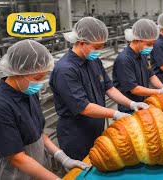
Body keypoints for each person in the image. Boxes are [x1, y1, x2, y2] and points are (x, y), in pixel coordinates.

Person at [49, 17, 149, 161]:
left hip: (96, 128)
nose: (99, 51)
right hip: (77, 135)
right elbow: (84, 107)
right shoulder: (66, 70)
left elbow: (109, 88)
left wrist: (131, 104)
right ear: (82, 43)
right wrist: (115, 113)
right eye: (96, 47)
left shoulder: (93, 60)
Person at [0, 40, 88, 179]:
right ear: (18, 72)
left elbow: (39, 134)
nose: (41, 82)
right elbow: (16, 157)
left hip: (39, 170)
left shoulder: (28, 92)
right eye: (38, 77)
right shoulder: (1, 105)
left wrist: (62, 157)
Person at [112, 18, 163, 113]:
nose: (151, 47)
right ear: (137, 40)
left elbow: (151, 76)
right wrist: (159, 92)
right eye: (149, 44)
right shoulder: (124, 60)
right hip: (130, 108)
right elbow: (134, 89)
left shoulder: (142, 54)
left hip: (144, 104)